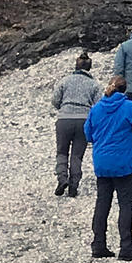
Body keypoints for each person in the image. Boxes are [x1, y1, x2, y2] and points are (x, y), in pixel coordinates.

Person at [85, 74, 132, 261]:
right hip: (125, 163)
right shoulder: (129, 107)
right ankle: (126, 247)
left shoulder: (96, 109)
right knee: (126, 205)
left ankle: (98, 245)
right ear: (124, 90)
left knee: (102, 203)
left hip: (102, 163)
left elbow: (88, 134)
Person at [49, 51, 97, 198]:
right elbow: (98, 105)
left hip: (64, 119)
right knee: (77, 155)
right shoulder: (94, 84)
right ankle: (73, 186)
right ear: (89, 68)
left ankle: (62, 179)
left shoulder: (65, 81)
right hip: (83, 120)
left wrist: (64, 108)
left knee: (62, 152)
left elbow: (55, 100)